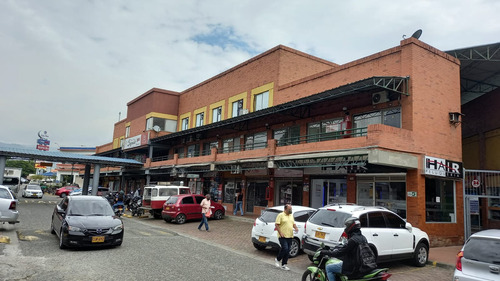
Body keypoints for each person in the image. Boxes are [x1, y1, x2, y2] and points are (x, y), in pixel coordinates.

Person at [274, 204, 298, 271]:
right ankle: (277, 259)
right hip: (282, 236)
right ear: (285, 209)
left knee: (287, 251)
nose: (291, 210)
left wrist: (296, 228)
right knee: (285, 248)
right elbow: (277, 224)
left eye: (291, 209)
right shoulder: (280, 215)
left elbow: (293, 223)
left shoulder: (291, 216)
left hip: (290, 235)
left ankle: (284, 264)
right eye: (289, 209)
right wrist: (280, 232)